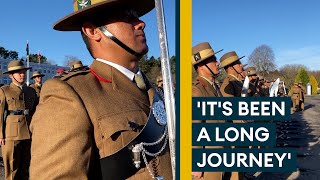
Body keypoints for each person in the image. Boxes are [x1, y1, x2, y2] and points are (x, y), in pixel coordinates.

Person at [30, 0, 172, 179]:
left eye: (136, 17)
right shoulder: (69, 93)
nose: (141, 23)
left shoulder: (152, 88)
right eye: (127, 17)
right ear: (93, 31)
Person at [192, 42, 225, 179]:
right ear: (201, 66)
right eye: (213, 60)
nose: (217, 63)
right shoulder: (196, 90)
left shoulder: (214, 87)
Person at [0, 60, 37, 180]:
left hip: (29, 132)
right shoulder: (4, 90)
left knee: (27, 168)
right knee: (12, 168)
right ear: (11, 75)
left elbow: (36, 112)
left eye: (23, 72)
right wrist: (1, 135)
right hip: (11, 134)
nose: (22, 74)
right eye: (18, 73)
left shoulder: (31, 91)